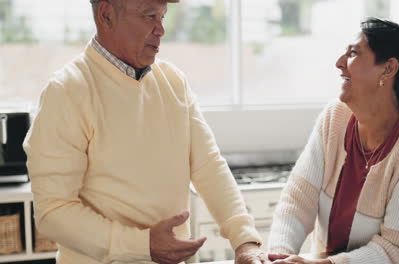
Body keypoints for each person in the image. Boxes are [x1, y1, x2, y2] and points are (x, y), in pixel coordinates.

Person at [23, 0, 268, 263]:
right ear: (106, 15)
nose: (160, 29)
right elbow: (53, 212)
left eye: (162, 16)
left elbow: (209, 167)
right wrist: (141, 245)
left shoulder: (173, 82)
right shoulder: (66, 92)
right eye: (149, 15)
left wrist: (245, 241)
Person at [267, 18, 399, 264]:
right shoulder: (335, 116)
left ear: (388, 69)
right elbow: (298, 200)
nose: (339, 64)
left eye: (352, 53)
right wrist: (279, 257)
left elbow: (396, 251)